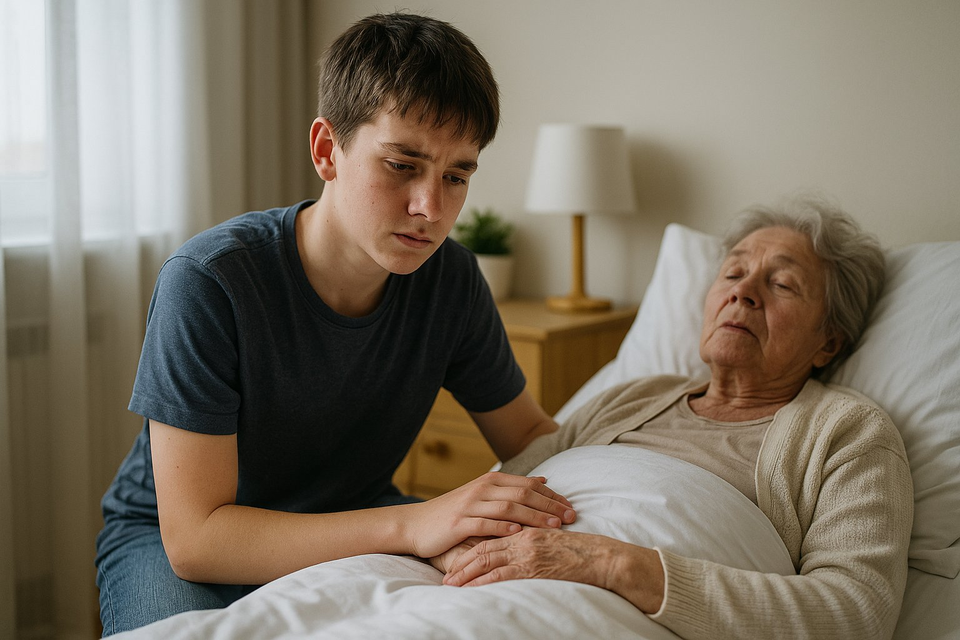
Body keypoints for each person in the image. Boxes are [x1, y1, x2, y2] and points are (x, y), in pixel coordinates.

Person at [94, 12, 575, 636]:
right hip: (182, 539)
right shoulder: (211, 281)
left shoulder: (451, 281)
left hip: (354, 512)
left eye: (456, 176)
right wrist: (414, 523)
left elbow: (532, 438)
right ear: (327, 150)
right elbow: (197, 537)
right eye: (402, 164)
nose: (430, 209)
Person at [435, 198, 913, 640]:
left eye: (782, 284)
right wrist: (452, 552)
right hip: (478, 591)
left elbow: (855, 612)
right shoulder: (630, 397)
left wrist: (608, 563)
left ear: (829, 341)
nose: (743, 292)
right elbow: (490, 497)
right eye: (733, 273)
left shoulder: (848, 433)